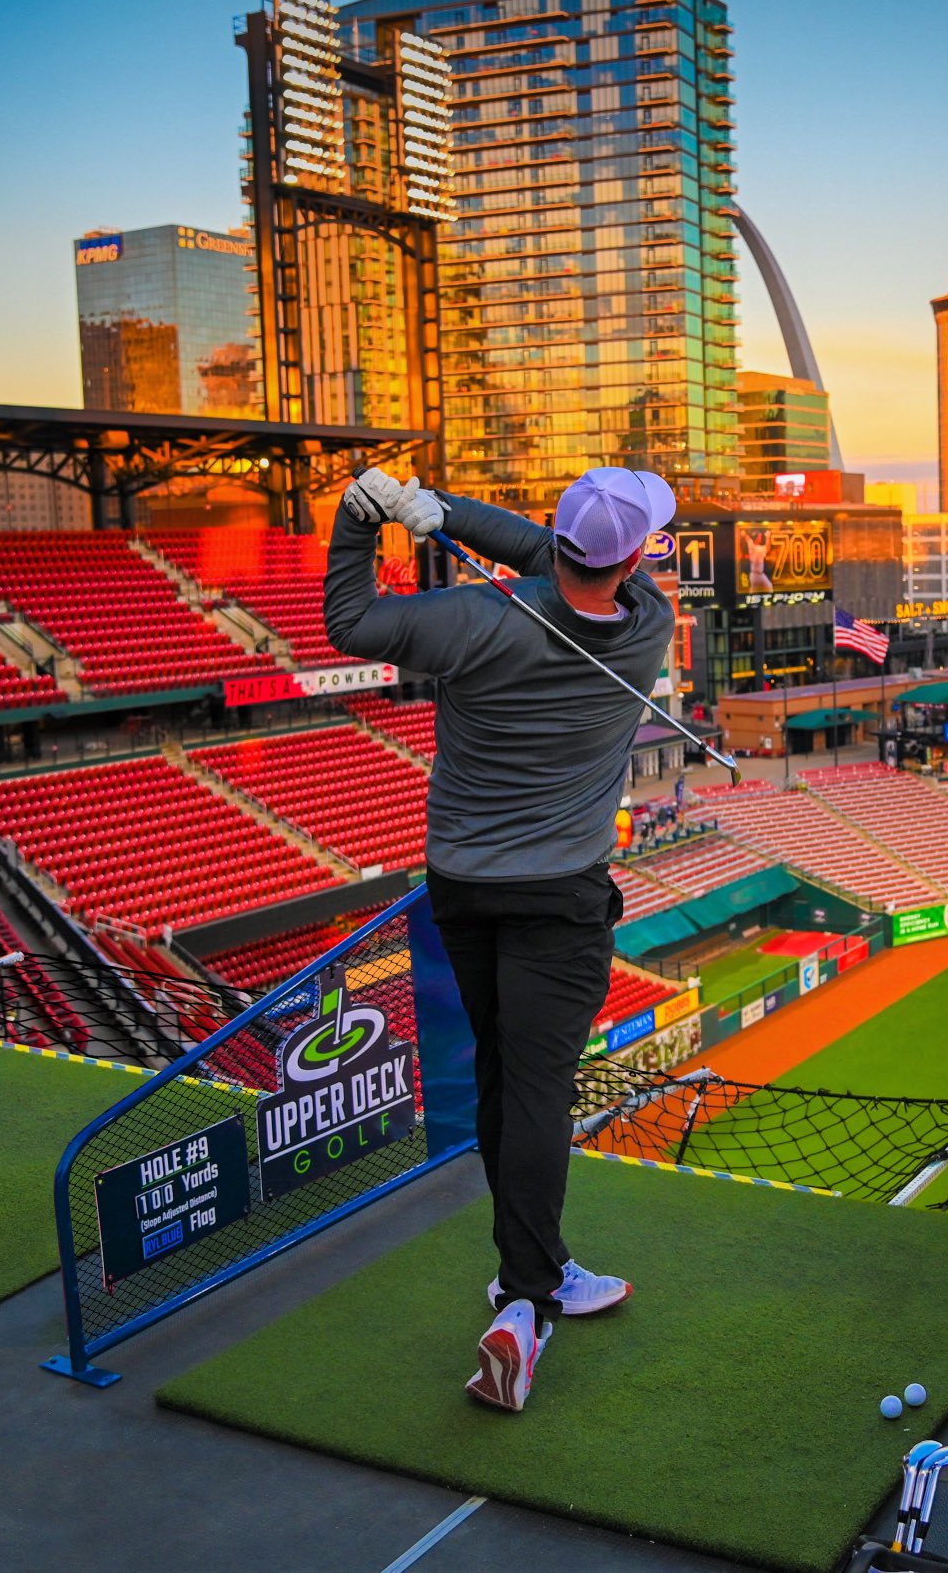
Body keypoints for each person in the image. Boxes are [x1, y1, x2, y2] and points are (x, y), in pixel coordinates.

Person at [324, 463, 677, 1413]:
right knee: (535, 1091)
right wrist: (449, 520)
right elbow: (562, 559)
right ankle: (524, 1302)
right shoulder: (646, 627)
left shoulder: (477, 622)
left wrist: (369, 521)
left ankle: (543, 1263)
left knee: (498, 1076)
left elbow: (352, 624)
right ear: (635, 556)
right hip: (558, 897)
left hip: (465, 890)